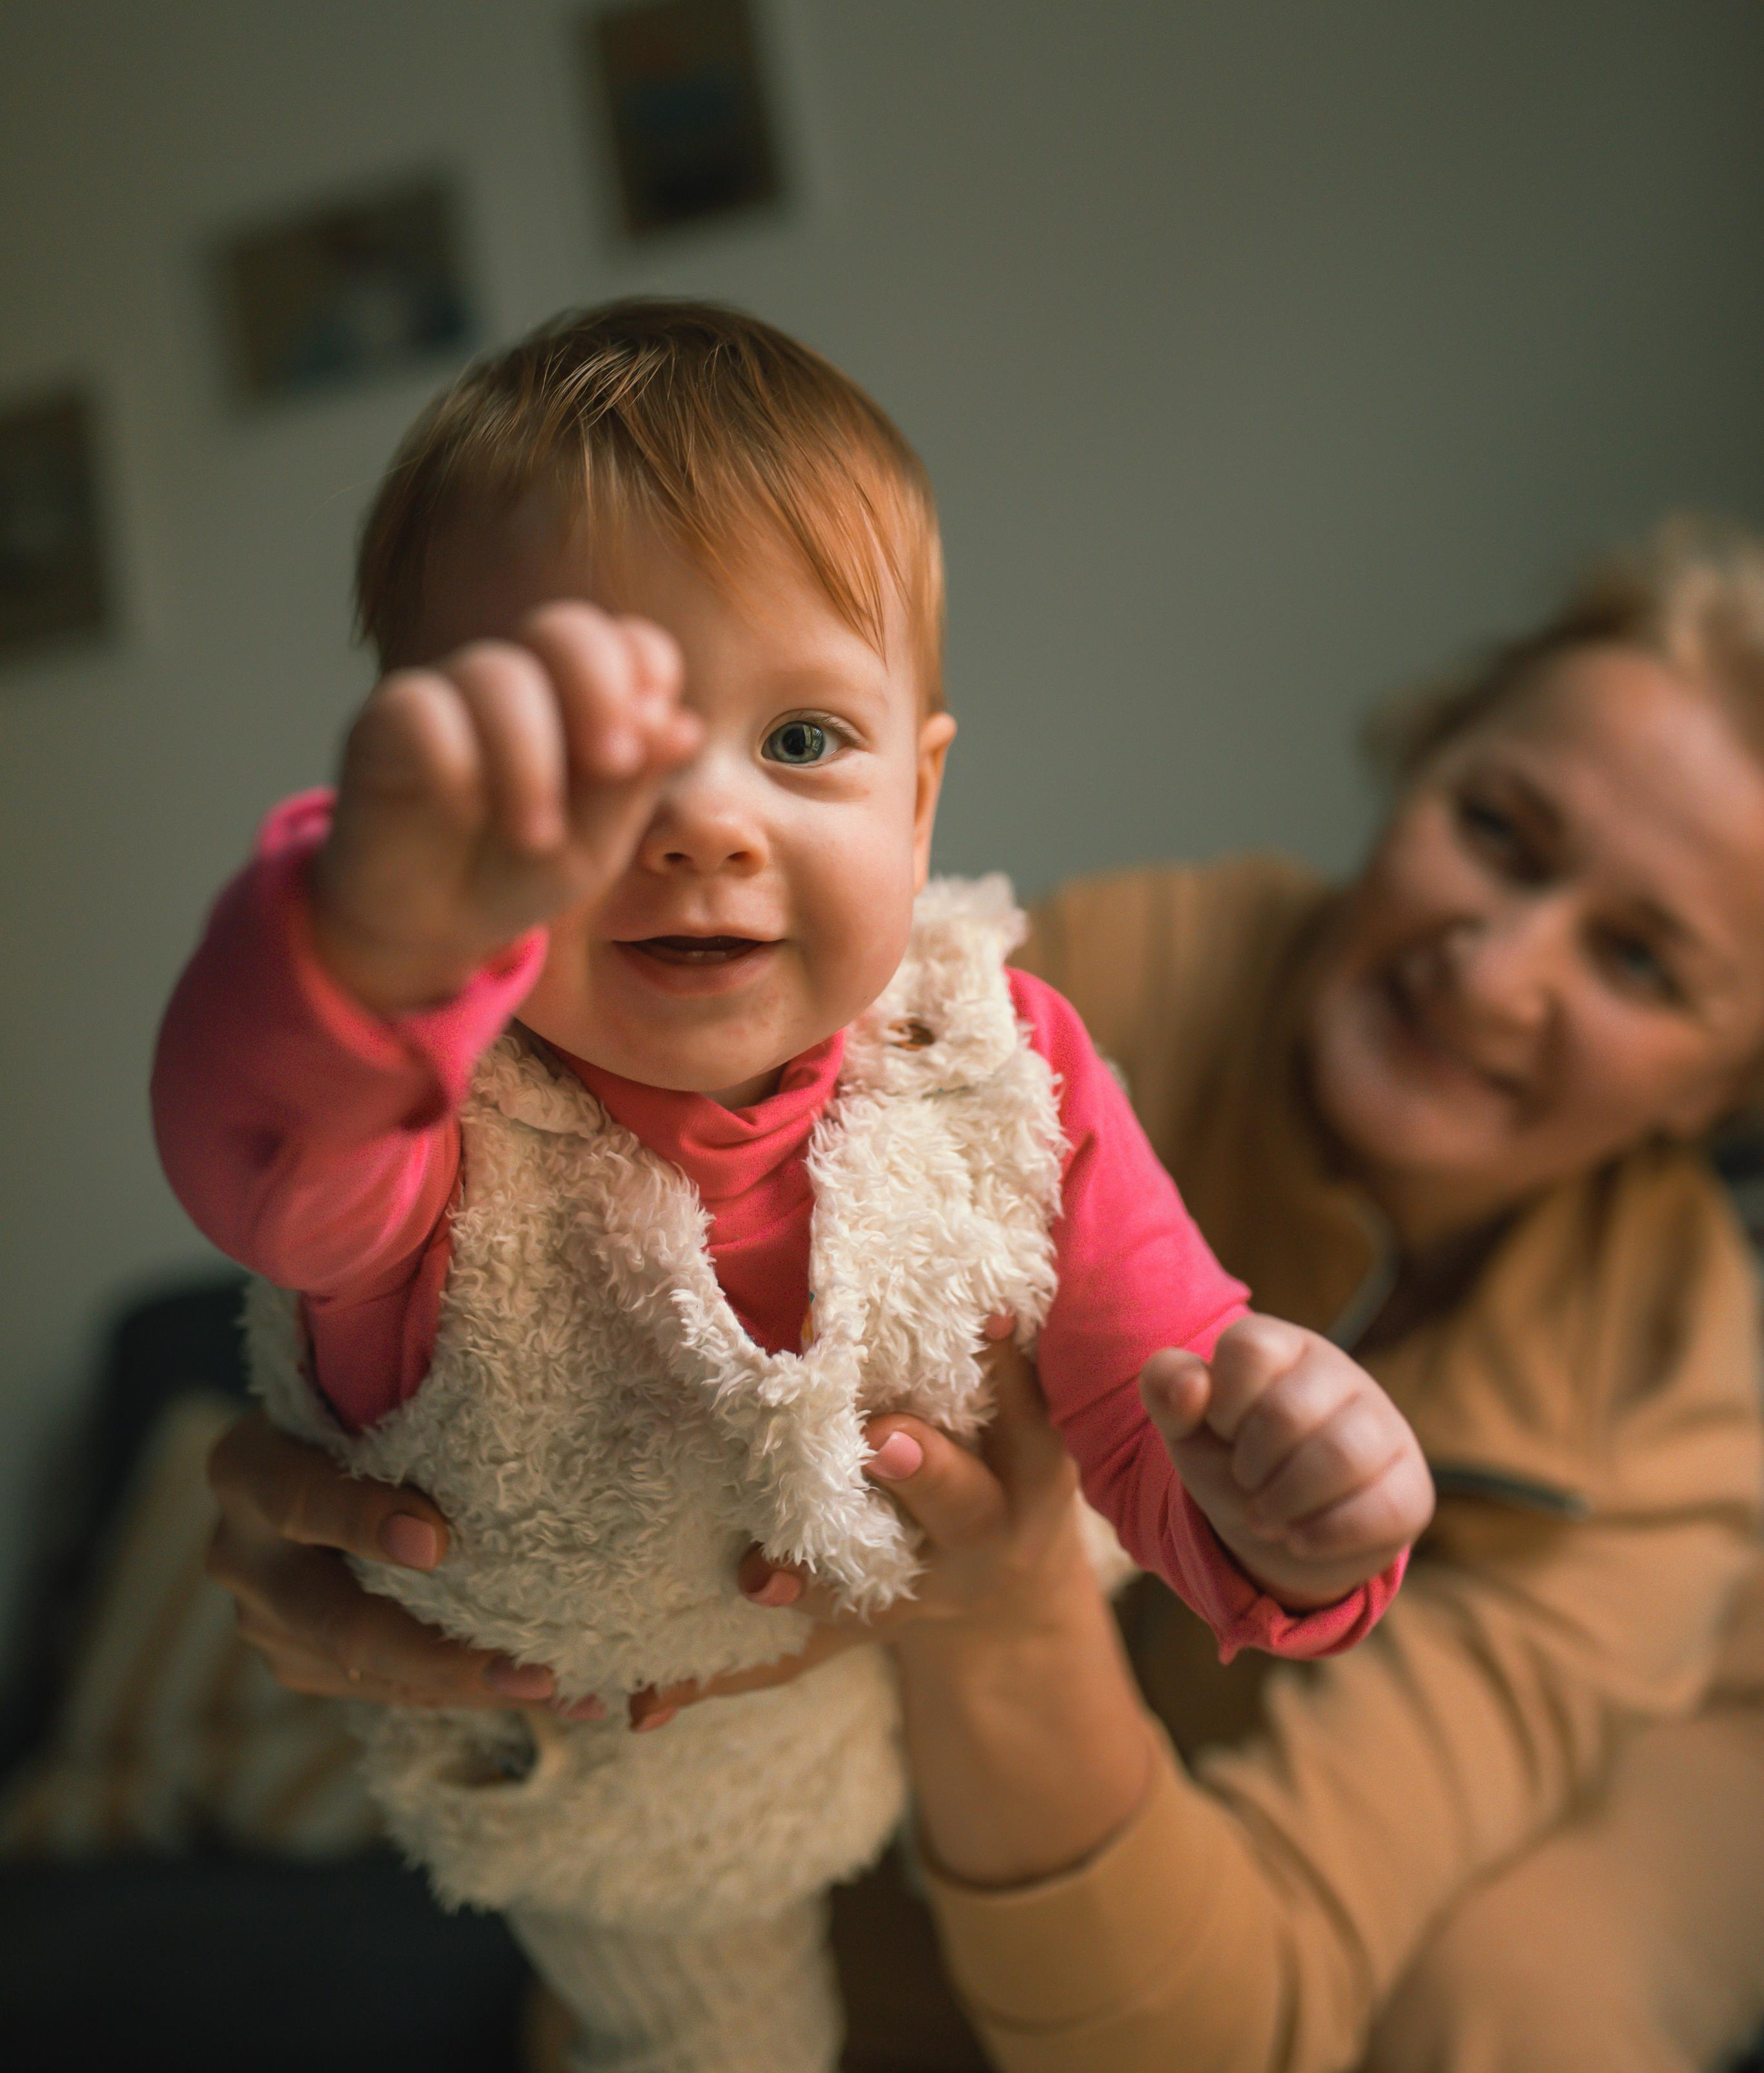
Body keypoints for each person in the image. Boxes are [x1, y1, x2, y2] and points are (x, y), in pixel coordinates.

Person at [204, 515, 1764, 2072]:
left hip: (1155, 1985)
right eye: (1496, 829)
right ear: (1419, 765)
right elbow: (494, 1244)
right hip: (736, 1899)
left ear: (1728, 1080)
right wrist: (373, 1494)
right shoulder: (1040, 1001)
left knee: (1520, 2011)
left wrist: (1010, 1601)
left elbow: (1230, 2028)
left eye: (1640, 963)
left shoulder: (1660, 1433)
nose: (1493, 974)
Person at [154, 300, 1428, 2073]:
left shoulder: (1006, 1057)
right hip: (631, 1794)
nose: (702, 821)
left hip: (936, 1680)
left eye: (803, 741)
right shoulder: (429, 1136)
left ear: (919, 803)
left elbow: (1160, 1407)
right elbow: (267, 1141)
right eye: (596, 764)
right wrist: (354, 947)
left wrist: (1287, 1497)